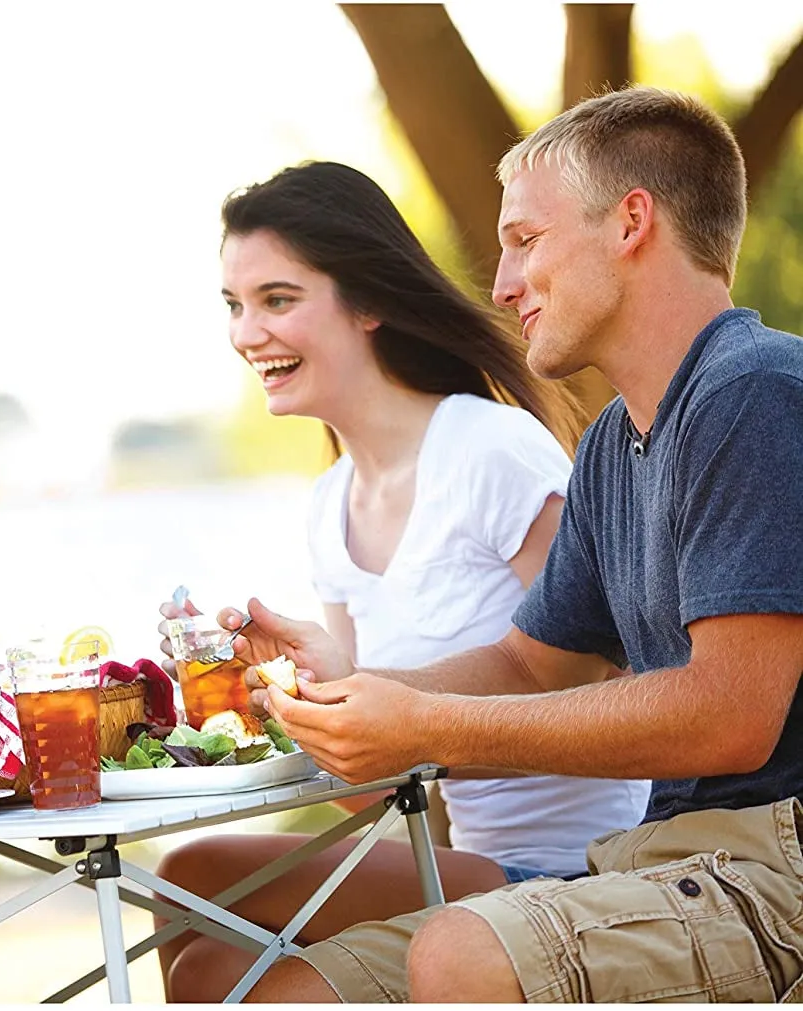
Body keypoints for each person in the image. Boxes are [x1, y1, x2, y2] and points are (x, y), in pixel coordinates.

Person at [190, 85, 803, 1003]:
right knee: (255, 990)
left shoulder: (750, 391)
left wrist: (429, 726)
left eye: (527, 240)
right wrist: (359, 699)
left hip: (770, 867)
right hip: (651, 861)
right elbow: (531, 663)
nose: (504, 282)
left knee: (462, 951)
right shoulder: (611, 446)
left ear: (631, 222)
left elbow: (731, 713)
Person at [153, 161, 651, 1000]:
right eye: (236, 307)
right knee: (207, 962)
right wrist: (286, 698)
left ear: (369, 301)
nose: (247, 333)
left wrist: (397, 709)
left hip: (588, 873)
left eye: (278, 299)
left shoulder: (491, 450)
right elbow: (383, 788)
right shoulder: (330, 504)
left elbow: (617, 670)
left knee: (197, 874)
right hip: (473, 865)